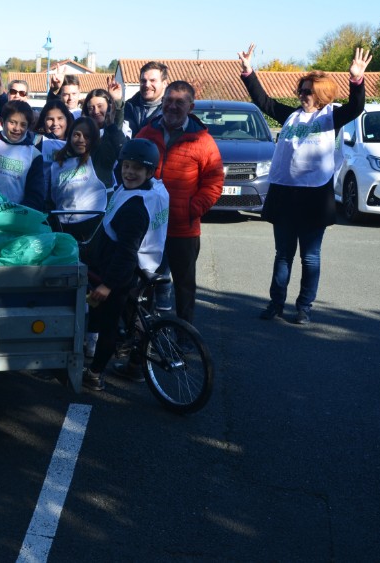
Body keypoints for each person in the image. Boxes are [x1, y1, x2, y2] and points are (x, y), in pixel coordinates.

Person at [238, 43, 371, 324]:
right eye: (301, 90)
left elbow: (357, 107)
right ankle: (276, 304)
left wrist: (356, 79)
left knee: (310, 258)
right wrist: (249, 72)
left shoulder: (331, 117)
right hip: (285, 194)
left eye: (308, 91)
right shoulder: (291, 116)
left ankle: (304, 307)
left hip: (314, 195)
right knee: (282, 255)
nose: (302, 95)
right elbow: (264, 102)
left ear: (320, 94)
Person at [82, 138, 169, 390]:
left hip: (122, 273)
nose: (129, 173)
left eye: (137, 169)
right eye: (126, 166)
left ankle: (95, 374)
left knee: (108, 324)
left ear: (149, 172)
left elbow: (126, 252)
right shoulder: (154, 190)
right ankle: (128, 355)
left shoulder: (134, 209)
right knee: (129, 317)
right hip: (149, 263)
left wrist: (108, 285)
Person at [136, 80, 223, 326]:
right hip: (149, 228)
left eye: (180, 102)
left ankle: (184, 338)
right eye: (168, 101)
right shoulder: (147, 133)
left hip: (182, 229)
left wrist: (191, 210)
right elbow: (129, 168)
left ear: (191, 106)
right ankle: (143, 342)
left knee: (184, 290)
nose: (172, 107)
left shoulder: (203, 141)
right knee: (144, 287)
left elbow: (214, 181)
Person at [49, 117, 108, 249]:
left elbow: (115, 141)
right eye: (76, 134)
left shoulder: (99, 159)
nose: (81, 140)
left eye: (87, 136)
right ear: (69, 136)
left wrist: (114, 116)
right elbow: (50, 198)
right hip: (63, 227)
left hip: (92, 226)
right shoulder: (57, 164)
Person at [124, 61, 169, 139]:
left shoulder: (171, 111)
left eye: (152, 80)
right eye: (143, 81)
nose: (147, 85)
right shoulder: (127, 107)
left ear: (164, 83)